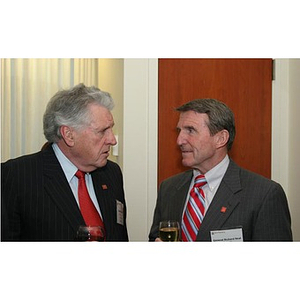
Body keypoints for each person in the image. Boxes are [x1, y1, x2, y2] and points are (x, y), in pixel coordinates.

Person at [149, 98, 292, 241]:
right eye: (179, 131)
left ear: (221, 139)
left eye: (190, 130)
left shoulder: (265, 195)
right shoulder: (169, 188)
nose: (179, 140)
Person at [1, 83, 129, 241]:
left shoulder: (112, 173)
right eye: (102, 131)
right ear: (69, 135)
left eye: (111, 129)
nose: (112, 140)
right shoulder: (16, 177)